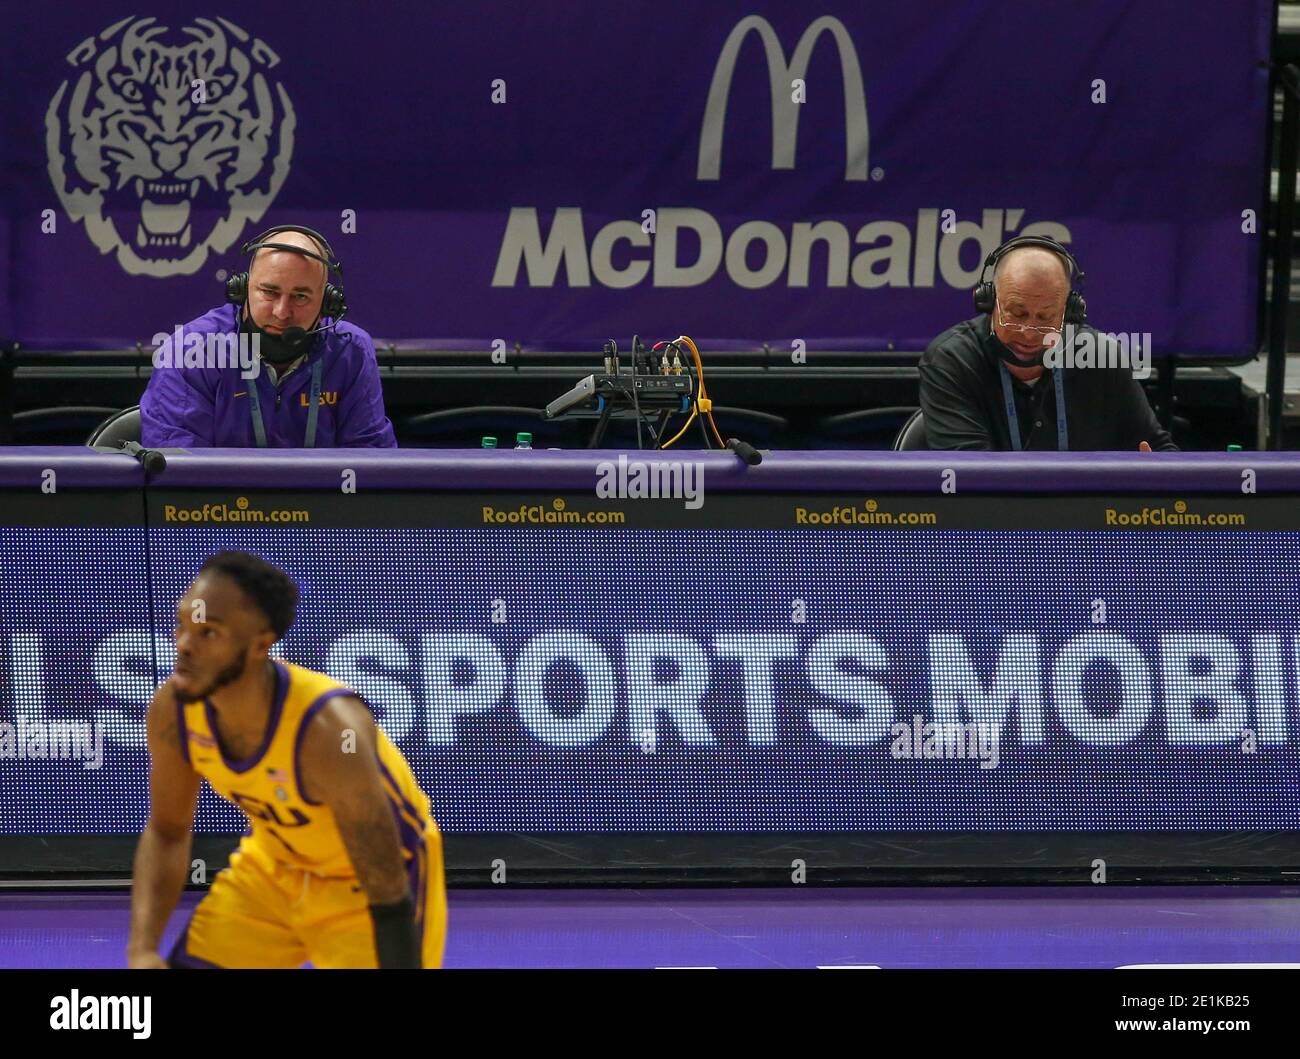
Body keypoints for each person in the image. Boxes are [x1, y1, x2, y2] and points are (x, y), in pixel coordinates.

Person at [127, 551, 444, 968]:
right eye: (182, 624)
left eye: (209, 633)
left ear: (261, 645)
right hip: (273, 871)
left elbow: (386, 890)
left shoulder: (329, 733)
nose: (184, 645)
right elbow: (168, 831)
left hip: (367, 887)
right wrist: (143, 951)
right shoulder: (173, 710)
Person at [140, 225, 397, 448]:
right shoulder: (192, 350)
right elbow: (178, 471)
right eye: (269, 292)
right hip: (220, 506)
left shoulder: (352, 352)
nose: (282, 312)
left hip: (325, 505)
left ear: (328, 303)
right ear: (242, 290)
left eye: (301, 296)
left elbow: (371, 467)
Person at [918, 236, 1177, 451]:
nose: (1029, 332)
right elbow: (969, 477)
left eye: (1046, 317)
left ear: (1070, 312)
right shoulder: (952, 360)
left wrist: (1152, 473)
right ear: (989, 302)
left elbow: (1158, 449)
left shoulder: (1100, 355)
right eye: (1017, 314)